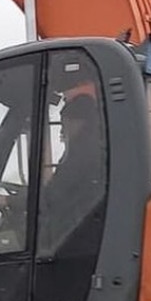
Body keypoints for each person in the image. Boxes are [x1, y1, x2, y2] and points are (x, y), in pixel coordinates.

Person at [37, 91, 106, 255]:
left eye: (64, 124)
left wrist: (7, 200)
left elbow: (53, 195)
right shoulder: (94, 148)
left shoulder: (82, 154)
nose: (62, 130)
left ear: (78, 122)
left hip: (72, 237)